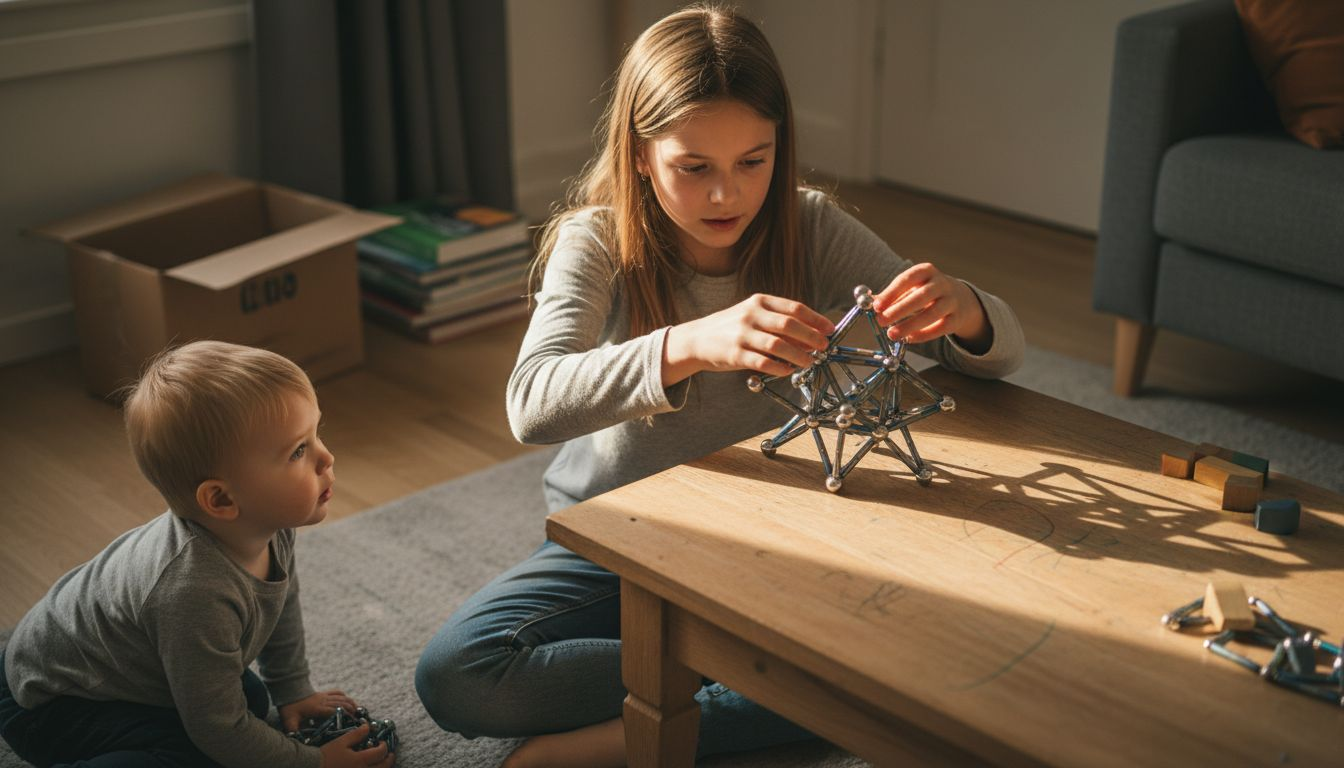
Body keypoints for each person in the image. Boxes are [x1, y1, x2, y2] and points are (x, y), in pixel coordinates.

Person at [416, 4, 1024, 767]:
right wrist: (688, 345)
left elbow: (995, 359)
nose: (725, 197)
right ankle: (772, 686)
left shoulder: (809, 226)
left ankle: (649, 725)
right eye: (693, 167)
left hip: (775, 540)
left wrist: (966, 310)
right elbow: (531, 402)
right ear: (640, 156)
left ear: (781, 147)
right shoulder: (598, 240)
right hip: (622, 542)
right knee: (457, 674)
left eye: (754, 161)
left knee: (926, 650)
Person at [0, 341, 393, 768]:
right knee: (199, 752)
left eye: (316, 435)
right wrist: (314, 763)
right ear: (221, 499)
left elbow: (279, 607)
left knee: (251, 700)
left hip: (125, 673)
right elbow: (216, 729)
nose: (326, 457)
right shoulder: (192, 591)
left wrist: (293, 689)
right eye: (298, 451)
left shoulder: (269, 527)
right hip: (51, 702)